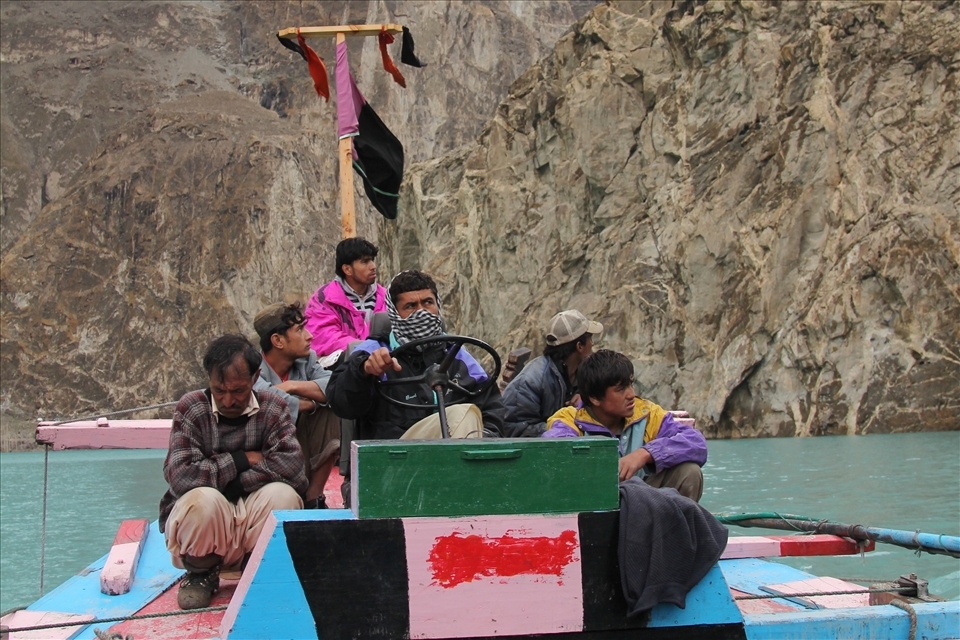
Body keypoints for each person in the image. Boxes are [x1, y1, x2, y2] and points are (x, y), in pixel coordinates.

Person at [159, 334, 307, 610]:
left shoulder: (274, 407)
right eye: (219, 390)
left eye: (238, 391)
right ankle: (201, 572)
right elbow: (180, 477)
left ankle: (259, 569)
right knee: (201, 500)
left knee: (283, 495)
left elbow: (293, 468)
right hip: (209, 518)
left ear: (255, 377)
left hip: (248, 509)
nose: (228, 401)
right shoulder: (190, 408)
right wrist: (241, 460)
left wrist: (232, 486)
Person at [326, 269, 506, 441]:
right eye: (410, 306)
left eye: (428, 302)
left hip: (454, 447)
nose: (422, 312)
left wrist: (488, 435)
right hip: (397, 456)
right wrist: (363, 372)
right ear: (395, 313)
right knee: (461, 415)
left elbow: (491, 405)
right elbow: (342, 405)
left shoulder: (456, 354)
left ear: (438, 305)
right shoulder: (372, 352)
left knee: (469, 419)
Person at [543, 349, 707, 502]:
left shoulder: (647, 413)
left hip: (642, 503)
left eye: (630, 384)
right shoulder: (569, 420)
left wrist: (644, 454)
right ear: (594, 398)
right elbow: (554, 456)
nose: (631, 395)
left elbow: (696, 443)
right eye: (620, 389)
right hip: (595, 503)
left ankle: (671, 531)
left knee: (689, 472)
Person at [253, 302, 339, 509]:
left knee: (334, 410)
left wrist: (291, 386)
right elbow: (264, 398)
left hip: (301, 442)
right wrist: (308, 404)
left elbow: (333, 386)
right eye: (299, 330)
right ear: (277, 341)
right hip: (268, 452)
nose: (309, 336)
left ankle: (313, 497)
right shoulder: (253, 366)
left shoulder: (306, 360)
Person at [501, 310, 602, 437]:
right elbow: (514, 429)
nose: (592, 343)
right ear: (579, 346)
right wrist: (564, 426)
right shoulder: (530, 382)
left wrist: (584, 399)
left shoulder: (585, 371)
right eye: (589, 339)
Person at [304, 237, 388, 357]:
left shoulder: (387, 297)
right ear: (347, 269)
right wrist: (365, 349)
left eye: (372, 260)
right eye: (365, 261)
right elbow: (323, 337)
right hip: (340, 366)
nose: (373, 266)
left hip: (384, 361)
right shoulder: (324, 298)